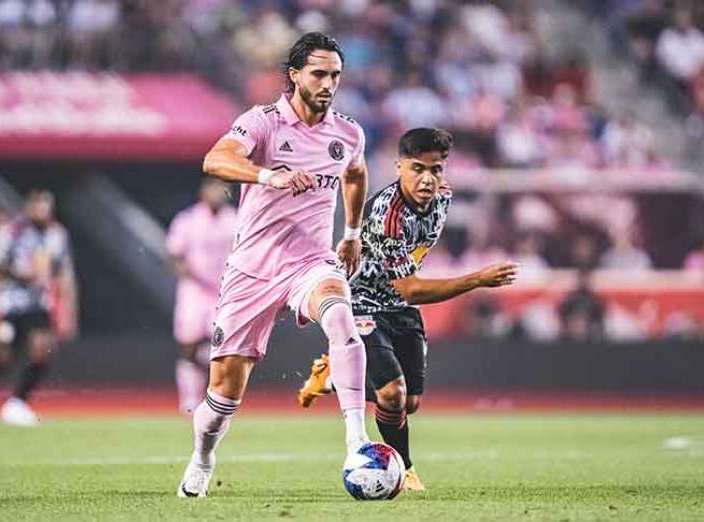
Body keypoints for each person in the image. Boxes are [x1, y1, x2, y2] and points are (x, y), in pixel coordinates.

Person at [177, 32, 371, 498]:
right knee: (222, 398)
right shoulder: (262, 122)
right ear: (295, 75)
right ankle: (203, 457)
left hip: (311, 262)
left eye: (336, 75)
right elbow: (215, 159)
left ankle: (358, 444)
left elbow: (356, 173)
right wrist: (269, 176)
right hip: (252, 270)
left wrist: (351, 234)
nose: (328, 84)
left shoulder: (348, 133)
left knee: (341, 316)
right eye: (319, 74)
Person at [296, 128, 518, 490]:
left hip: (398, 306)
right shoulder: (388, 215)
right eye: (418, 168)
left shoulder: (443, 197)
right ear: (399, 166)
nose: (428, 179)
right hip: (362, 301)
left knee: (409, 403)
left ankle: (335, 374)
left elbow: (411, 271)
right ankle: (405, 469)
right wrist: (478, 279)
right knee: (392, 394)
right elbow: (411, 289)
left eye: (436, 169)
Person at [0, 189, 78, 426]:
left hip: (38, 302)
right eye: (38, 205)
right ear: (29, 207)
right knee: (8, 351)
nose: (43, 210)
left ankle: (17, 402)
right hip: (12, 300)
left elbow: (62, 271)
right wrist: (20, 276)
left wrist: (68, 307)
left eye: (46, 205)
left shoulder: (57, 234)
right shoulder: (14, 231)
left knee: (44, 348)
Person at [166, 177, 237, 416]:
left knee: (222, 347)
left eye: (222, 189)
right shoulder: (187, 220)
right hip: (194, 292)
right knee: (189, 344)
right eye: (213, 189)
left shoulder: (235, 220)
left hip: (224, 292)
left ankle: (218, 400)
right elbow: (174, 254)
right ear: (203, 192)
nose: (217, 193)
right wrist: (186, 272)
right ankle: (189, 400)